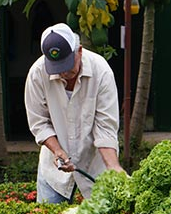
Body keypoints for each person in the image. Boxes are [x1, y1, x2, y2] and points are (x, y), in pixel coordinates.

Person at [24, 23, 124, 203]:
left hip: (94, 164)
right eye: (57, 67)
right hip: (54, 171)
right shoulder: (37, 73)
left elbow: (105, 126)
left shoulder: (101, 71)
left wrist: (113, 166)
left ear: (79, 51)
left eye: (68, 65)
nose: (63, 72)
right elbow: (38, 122)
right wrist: (57, 150)